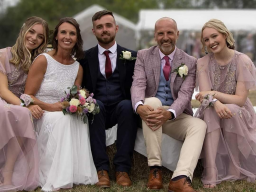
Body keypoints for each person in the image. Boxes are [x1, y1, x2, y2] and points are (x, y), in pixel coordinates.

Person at [131, 17, 207, 192]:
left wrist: (170, 113)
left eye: (170, 33)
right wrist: (139, 106)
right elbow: (138, 84)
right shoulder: (143, 56)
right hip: (150, 112)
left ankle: (180, 177)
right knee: (151, 101)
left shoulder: (190, 61)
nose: (165, 37)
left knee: (199, 125)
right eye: (161, 33)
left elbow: (186, 94)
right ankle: (155, 170)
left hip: (175, 115)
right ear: (155, 36)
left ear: (177, 34)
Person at [24, 17, 98, 191]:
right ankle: (56, 174)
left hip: (61, 111)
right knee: (63, 119)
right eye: (63, 32)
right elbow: (27, 95)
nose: (67, 36)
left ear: (77, 38)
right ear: (56, 36)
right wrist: (50, 107)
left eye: (72, 33)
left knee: (79, 119)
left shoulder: (77, 68)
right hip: (41, 112)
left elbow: (76, 95)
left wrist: (80, 104)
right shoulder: (43, 60)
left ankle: (73, 172)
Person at [78, 10, 138, 188]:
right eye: (99, 27)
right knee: (94, 106)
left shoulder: (132, 56)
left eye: (108, 25)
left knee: (128, 106)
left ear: (116, 28)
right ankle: (101, 169)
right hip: (98, 109)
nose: (104, 30)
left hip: (122, 109)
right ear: (93, 31)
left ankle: (122, 169)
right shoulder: (84, 58)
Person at [195, 19, 256, 188]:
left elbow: (240, 99)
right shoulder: (202, 63)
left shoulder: (242, 60)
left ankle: (234, 163)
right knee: (209, 110)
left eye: (214, 36)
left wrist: (214, 95)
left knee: (232, 109)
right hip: (212, 109)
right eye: (206, 40)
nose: (211, 42)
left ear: (225, 35)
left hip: (240, 112)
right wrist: (215, 102)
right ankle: (211, 168)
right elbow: (205, 97)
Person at [0, 16, 49, 191]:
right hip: (4, 100)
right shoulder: (3, 55)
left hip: (19, 104)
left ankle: (8, 171)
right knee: (17, 113)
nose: (34, 38)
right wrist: (25, 105)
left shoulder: (39, 61)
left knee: (22, 115)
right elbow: (3, 91)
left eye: (40, 36)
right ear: (23, 30)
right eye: (31, 31)